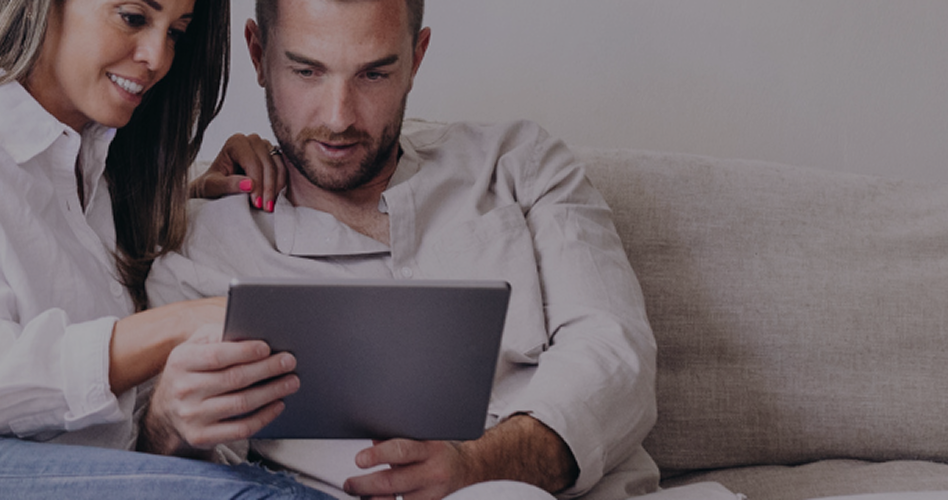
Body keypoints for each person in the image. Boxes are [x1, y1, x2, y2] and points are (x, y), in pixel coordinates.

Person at [0, 0, 336, 498]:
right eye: (135, 17)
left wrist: (188, 194)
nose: (157, 57)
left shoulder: (97, 179)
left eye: (177, 32)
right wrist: (180, 324)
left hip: (9, 462)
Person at [149, 0, 662, 499]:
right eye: (307, 72)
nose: (338, 117)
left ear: (416, 59)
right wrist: (166, 426)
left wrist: (480, 466)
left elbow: (617, 358)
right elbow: (205, 469)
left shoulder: (520, 166)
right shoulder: (199, 248)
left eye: (373, 74)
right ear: (258, 55)